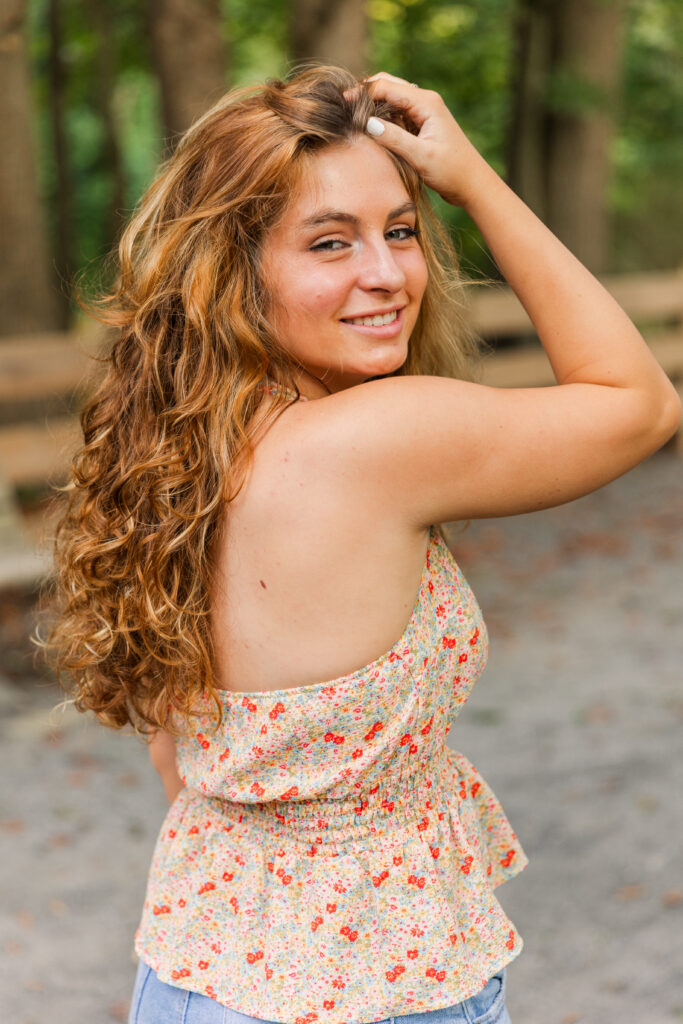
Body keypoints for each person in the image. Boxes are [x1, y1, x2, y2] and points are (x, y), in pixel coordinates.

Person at [41, 66, 680, 1024]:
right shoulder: (373, 441)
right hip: (370, 989)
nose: (385, 274)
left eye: (402, 229)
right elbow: (639, 403)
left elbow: (180, 756)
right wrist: (473, 179)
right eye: (328, 242)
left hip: (199, 973)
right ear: (235, 268)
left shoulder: (182, 456)